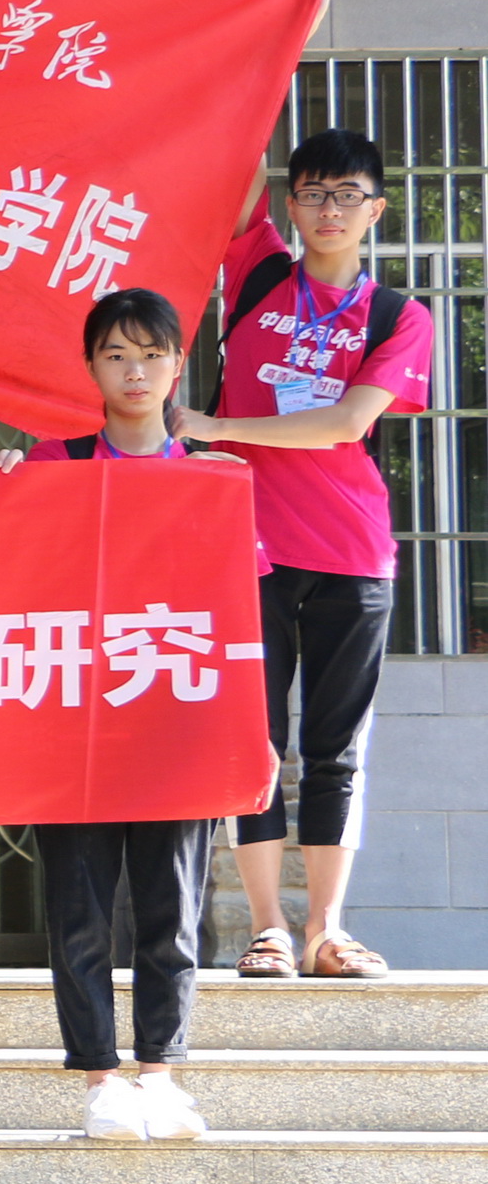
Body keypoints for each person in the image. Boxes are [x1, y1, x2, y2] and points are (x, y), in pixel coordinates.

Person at [174, 133, 433, 984]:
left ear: (375, 209)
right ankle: (267, 929)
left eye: (347, 194)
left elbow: (347, 423)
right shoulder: (257, 271)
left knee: (336, 750)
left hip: (352, 553)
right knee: (252, 743)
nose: (329, 209)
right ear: (290, 205)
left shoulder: (398, 316)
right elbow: (237, 146)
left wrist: (216, 427)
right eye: (313, 192)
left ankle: (326, 929)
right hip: (242, 546)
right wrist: (253, 55)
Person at [26, 287, 243, 1141]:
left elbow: (240, 616)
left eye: (151, 355)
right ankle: (99, 1079)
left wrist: (251, 728)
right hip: (73, 723)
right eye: (116, 355)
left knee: (172, 905)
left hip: (177, 722)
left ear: (178, 365)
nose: (135, 371)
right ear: (90, 367)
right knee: (79, 908)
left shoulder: (214, 477)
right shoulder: (55, 463)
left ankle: (160, 1073)